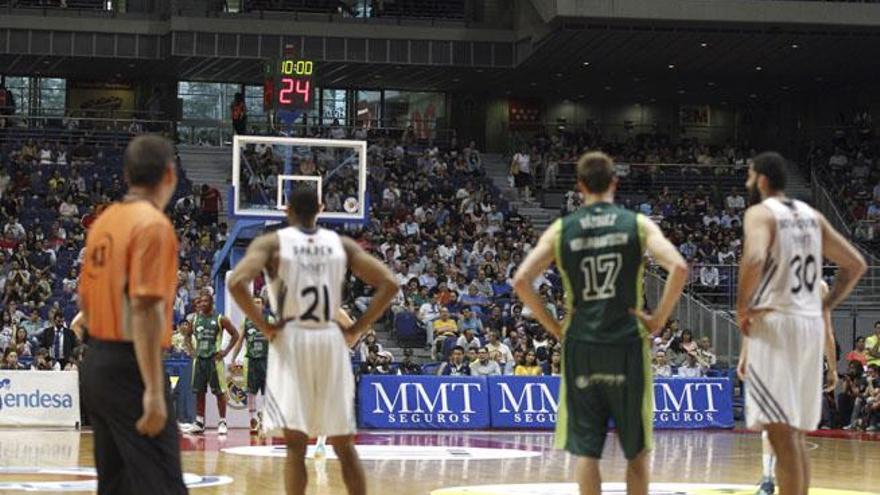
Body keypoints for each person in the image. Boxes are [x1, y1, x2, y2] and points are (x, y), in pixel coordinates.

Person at [512, 151, 688, 495]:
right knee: (636, 453)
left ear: (579, 186)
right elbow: (679, 268)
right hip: (627, 344)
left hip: (581, 345)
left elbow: (521, 280)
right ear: (614, 182)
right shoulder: (636, 224)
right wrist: (658, 320)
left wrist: (554, 326)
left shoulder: (562, 229)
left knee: (587, 453)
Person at [227, 185, 397, 495]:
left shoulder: (272, 243)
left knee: (296, 446)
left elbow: (237, 281)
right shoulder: (341, 244)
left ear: (287, 210)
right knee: (344, 445)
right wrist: (357, 326)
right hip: (330, 337)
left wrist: (263, 326)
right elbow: (389, 283)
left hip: (292, 337)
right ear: (320, 207)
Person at [736, 152, 866, 495]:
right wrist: (825, 303)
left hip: (777, 323)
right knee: (793, 435)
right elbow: (855, 264)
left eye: (750, 177)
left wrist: (742, 309)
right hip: (808, 326)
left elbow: (753, 258)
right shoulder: (812, 215)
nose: (748, 183)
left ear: (762, 180)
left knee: (780, 435)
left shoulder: (759, 213)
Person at [77, 135, 187, 494]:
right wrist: (155, 390)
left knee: (117, 486)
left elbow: (84, 302)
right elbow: (144, 308)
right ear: (170, 175)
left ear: (126, 175)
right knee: (163, 486)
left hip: (96, 361)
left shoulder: (104, 222)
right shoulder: (153, 226)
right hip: (131, 366)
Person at [738, 280, 838, 495]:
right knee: (797, 431)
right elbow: (827, 331)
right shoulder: (818, 285)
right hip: (805, 361)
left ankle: (767, 479)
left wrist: (745, 356)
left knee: (772, 423)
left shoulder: (769, 279)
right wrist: (832, 368)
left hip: (776, 356)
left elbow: (751, 321)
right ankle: (794, 486)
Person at [183, 293, 239, 435]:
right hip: (199, 361)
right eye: (200, 301)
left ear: (211, 303)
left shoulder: (220, 319)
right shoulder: (195, 319)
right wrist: (191, 351)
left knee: (219, 393)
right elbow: (187, 336)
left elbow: (236, 334)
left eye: (205, 301)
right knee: (199, 392)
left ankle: (222, 422)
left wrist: (225, 352)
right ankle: (200, 422)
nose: (202, 303)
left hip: (214, 361)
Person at [230, 296, 272, 436]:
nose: (256, 304)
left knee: (267, 393)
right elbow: (240, 341)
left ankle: (265, 419)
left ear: (263, 305)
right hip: (252, 360)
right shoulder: (246, 321)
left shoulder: (269, 320)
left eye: (259, 302)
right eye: (254, 302)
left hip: (266, 360)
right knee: (251, 392)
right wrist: (233, 358)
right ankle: (253, 421)